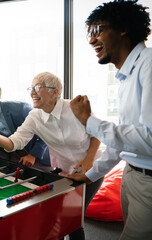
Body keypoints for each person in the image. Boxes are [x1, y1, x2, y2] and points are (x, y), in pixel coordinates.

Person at [0, 72, 103, 240]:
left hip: (91, 169)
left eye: (37, 87)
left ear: (54, 92)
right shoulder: (34, 116)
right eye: (31, 88)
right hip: (64, 172)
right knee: (62, 217)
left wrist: (88, 160)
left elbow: (98, 133)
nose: (32, 92)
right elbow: (12, 143)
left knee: (73, 217)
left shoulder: (74, 108)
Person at [67, 1, 152, 239]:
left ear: (123, 28)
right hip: (132, 175)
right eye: (90, 34)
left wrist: (88, 120)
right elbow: (123, 141)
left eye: (98, 31)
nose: (92, 40)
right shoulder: (126, 75)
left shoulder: (149, 64)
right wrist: (90, 175)